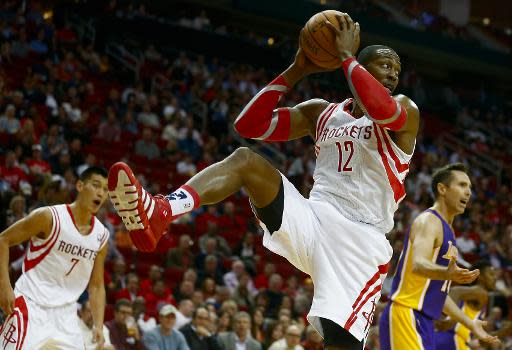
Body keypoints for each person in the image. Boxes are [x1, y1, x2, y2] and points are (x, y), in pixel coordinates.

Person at [109, 12, 418, 349]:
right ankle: (161, 211)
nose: (392, 75)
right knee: (245, 160)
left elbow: (380, 107)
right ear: (362, 63)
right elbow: (249, 126)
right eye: (385, 66)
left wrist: (344, 57)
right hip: (313, 218)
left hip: (360, 241)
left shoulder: (404, 110)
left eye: (396, 71)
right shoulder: (322, 113)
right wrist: (297, 69)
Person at [379, 163, 499, 349]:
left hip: (424, 320)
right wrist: (447, 273)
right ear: (442, 189)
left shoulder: (449, 232)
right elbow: (418, 264)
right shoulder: (429, 221)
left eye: (469, 187)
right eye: (461, 185)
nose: (468, 192)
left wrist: (469, 323)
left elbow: (438, 294)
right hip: (407, 312)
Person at [0, 166, 109, 349]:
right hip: (31, 304)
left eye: (105, 189)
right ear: (80, 186)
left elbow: (97, 285)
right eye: (96, 185)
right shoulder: (48, 217)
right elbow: (3, 240)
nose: (100, 192)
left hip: (66, 315)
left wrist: (98, 325)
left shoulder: (101, 236)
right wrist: (4, 286)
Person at [435, 260, 512, 350]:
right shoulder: (480, 292)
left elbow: (482, 341)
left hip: (453, 341)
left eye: (495, 275)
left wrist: (504, 331)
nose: (495, 278)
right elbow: (456, 291)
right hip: (451, 340)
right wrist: (449, 318)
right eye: (491, 274)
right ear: (480, 277)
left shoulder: (479, 298)